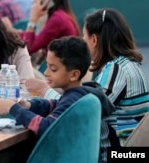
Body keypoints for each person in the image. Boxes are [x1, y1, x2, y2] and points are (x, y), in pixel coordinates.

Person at [26, 9, 149, 162]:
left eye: (84, 36)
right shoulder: (128, 65)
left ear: (95, 40)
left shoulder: (116, 69)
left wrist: (44, 90)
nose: (83, 40)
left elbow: (79, 112)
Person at [11, 0, 79, 57]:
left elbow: (29, 48)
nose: (33, 0)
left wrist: (33, 19)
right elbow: (37, 39)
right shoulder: (58, 15)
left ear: (49, 0)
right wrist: (13, 32)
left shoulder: (58, 19)